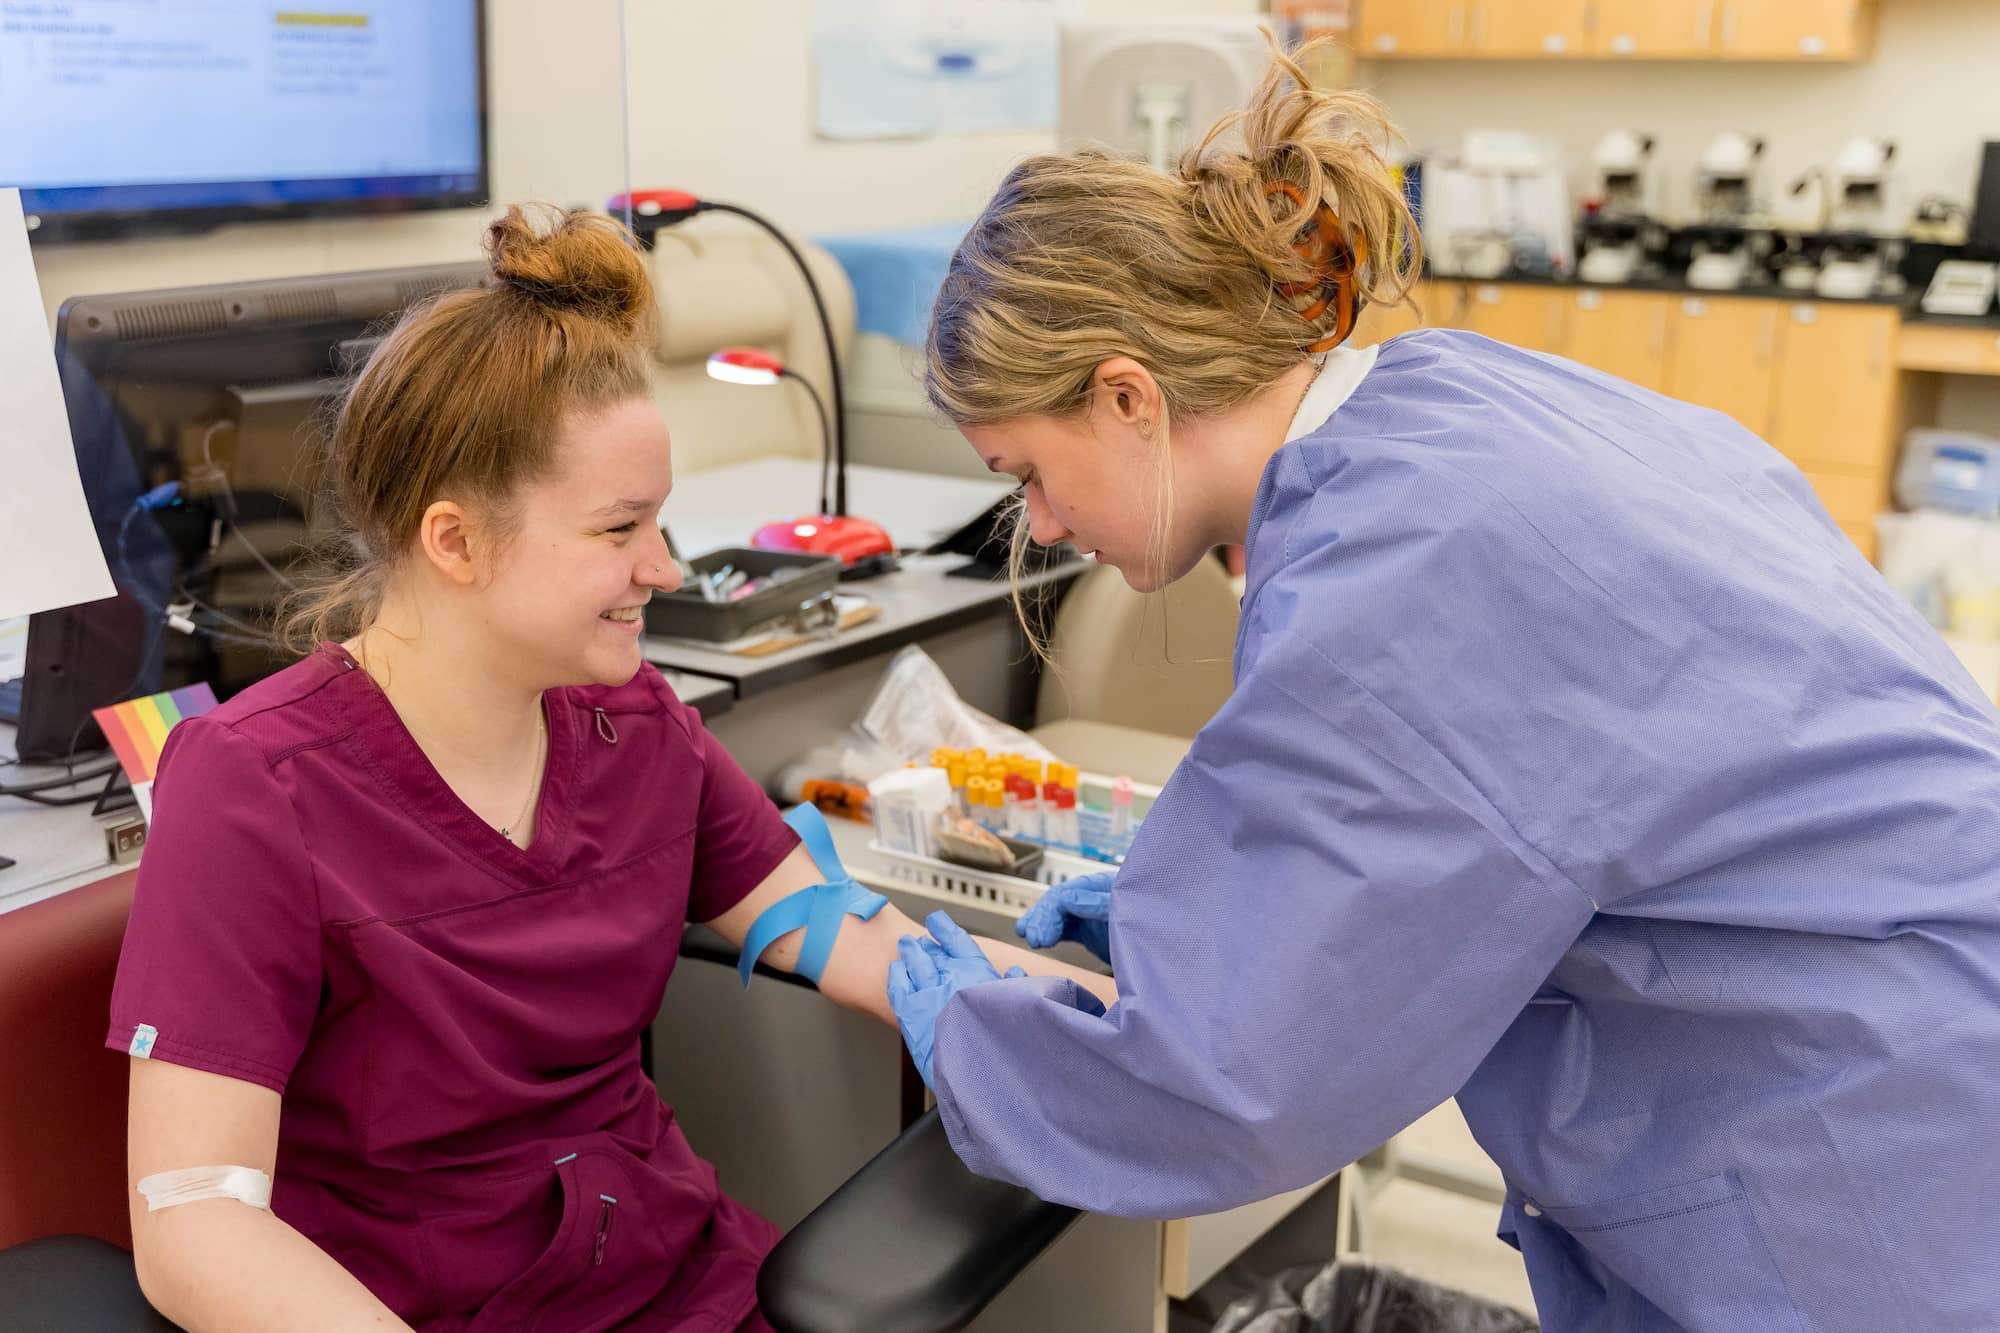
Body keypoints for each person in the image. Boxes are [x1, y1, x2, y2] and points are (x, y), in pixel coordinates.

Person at [884, 39, 2000, 1333]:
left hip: (1868, 1125)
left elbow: (1238, 1079)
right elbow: (1500, 835)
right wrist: (1184, 923)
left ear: (1127, 396)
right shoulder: (1450, 403)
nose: (1046, 522)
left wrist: (972, 1038)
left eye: (1026, 471)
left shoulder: (1392, 578)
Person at [108, 205, 1114, 1332]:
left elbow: (831, 923)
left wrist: (1129, 1023)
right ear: (455, 542)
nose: (663, 565)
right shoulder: (252, 786)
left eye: (662, 519)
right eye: (618, 528)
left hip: (674, 1280)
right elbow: (196, 1225)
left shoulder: (632, 723)